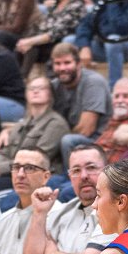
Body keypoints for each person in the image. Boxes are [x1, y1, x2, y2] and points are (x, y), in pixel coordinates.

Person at [0, 75, 69, 188]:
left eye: (41, 88)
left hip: (35, 178)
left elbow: (38, 158)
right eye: (32, 88)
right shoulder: (21, 124)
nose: (35, 91)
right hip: (12, 172)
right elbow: (5, 152)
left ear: (50, 94)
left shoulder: (56, 124)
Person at [50, 43, 112, 171]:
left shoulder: (93, 82)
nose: (62, 68)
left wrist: (52, 139)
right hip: (65, 138)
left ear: (78, 64)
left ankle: (70, 178)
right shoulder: (54, 85)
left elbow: (86, 129)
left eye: (67, 63)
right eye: (57, 63)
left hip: (96, 141)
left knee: (68, 141)